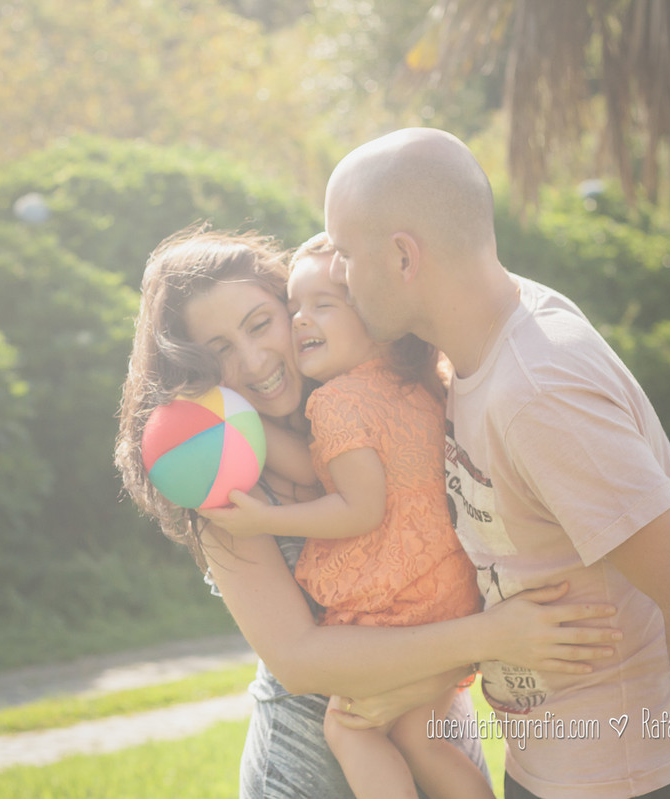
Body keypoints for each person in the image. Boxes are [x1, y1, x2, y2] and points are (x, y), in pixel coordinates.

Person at [115, 225, 625, 799]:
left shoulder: (395, 391)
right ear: (197, 371)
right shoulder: (227, 484)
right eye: (220, 351)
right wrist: (491, 637)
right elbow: (302, 661)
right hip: (309, 771)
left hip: (433, 733)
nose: (255, 360)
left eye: (262, 324)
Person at [323, 128, 670, 799]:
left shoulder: (539, 390)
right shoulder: (477, 339)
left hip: (624, 779)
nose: (338, 275)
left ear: (405, 257)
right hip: (547, 768)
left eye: (346, 254)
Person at [198, 233, 492, 799]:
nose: (302, 320)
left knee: (350, 728)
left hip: (398, 605)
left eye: (268, 322)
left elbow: (358, 505)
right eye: (296, 309)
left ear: (373, 313)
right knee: (422, 738)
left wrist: (265, 520)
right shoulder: (425, 382)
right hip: (449, 595)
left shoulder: (333, 401)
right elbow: (315, 470)